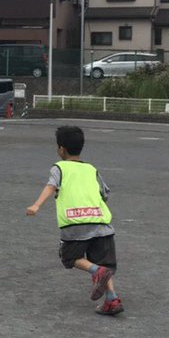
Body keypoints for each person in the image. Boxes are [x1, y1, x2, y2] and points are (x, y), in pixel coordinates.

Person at [25, 125, 122, 315]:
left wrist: (36, 205)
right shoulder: (91, 169)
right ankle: (112, 299)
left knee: (69, 257)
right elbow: (105, 194)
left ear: (61, 149)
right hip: (101, 222)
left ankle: (95, 271)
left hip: (75, 223)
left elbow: (51, 186)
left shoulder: (59, 167)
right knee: (106, 265)